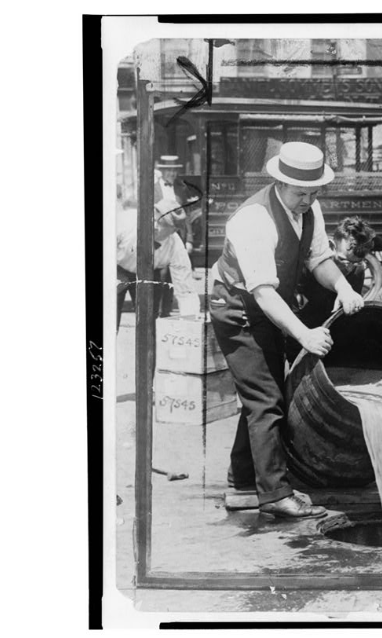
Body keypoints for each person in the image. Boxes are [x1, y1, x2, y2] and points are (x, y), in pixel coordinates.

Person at [206, 142, 365, 519]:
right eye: (300, 193)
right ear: (279, 182)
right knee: (265, 399)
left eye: (314, 193)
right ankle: (275, 494)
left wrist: (343, 286)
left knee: (267, 393)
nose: (307, 200)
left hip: (265, 303)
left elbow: (319, 257)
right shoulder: (253, 219)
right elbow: (262, 292)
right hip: (237, 306)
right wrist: (304, 335)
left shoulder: (309, 208)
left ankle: (244, 480)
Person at [115, 196, 200, 330]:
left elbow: (185, 289)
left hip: (149, 274)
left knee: (149, 326)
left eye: (162, 223)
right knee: (108, 322)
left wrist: (191, 327)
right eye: (154, 217)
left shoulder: (176, 246)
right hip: (116, 268)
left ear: (173, 230)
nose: (154, 225)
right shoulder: (125, 222)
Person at [297, 216, 379, 329]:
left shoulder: (358, 270)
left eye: (355, 263)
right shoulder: (311, 264)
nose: (348, 267)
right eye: (343, 261)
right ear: (331, 246)